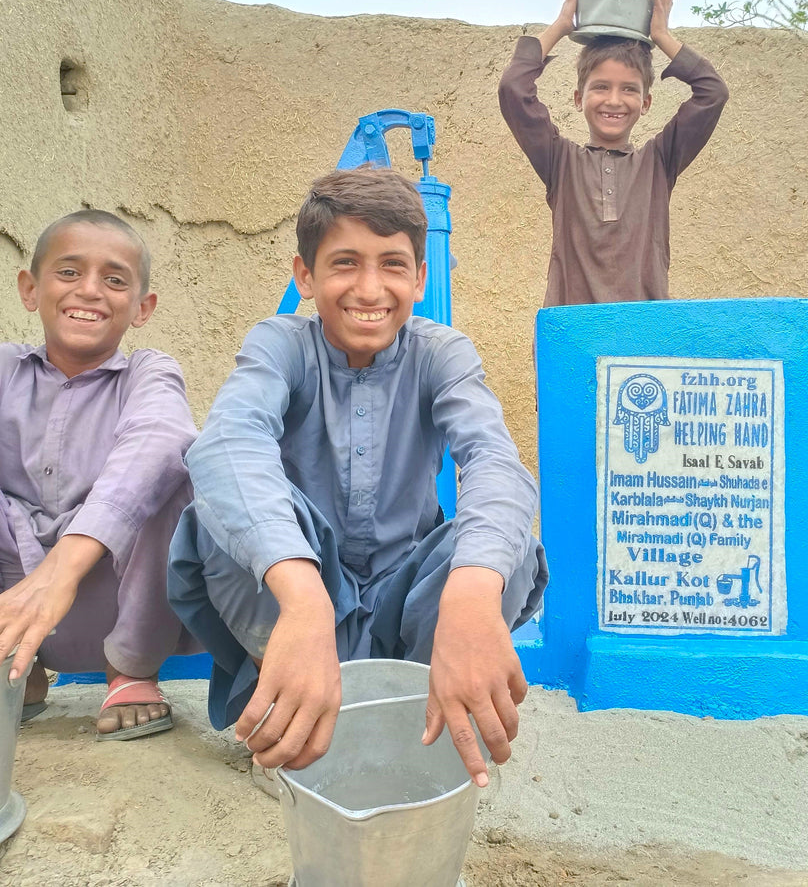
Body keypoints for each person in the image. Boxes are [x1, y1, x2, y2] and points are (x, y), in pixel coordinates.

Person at [168, 168, 547, 785]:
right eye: (345, 263)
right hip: (299, 608)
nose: (370, 288)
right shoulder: (279, 344)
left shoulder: (442, 353)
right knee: (217, 524)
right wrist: (300, 591)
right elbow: (227, 444)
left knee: (504, 550)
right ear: (305, 277)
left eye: (392, 264)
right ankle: (293, 731)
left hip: (407, 605)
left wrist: (474, 592)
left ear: (420, 279)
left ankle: (417, 728)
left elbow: (492, 459)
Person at [0, 210, 197, 739]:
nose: (89, 291)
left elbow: (160, 439)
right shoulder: (4, 370)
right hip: (13, 595)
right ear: (29, 288)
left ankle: (131, 672)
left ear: (142, 308)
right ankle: (20, 673)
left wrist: (62, 567)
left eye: (114, 280)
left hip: (107, 600)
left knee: (173, 474)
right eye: (68, 272)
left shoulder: (148, 373)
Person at [498, 0, 728, 308]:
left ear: (646, 102)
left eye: (630, 90)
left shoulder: (659, 162)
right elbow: (512, 89)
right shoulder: (560, 161)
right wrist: (562, 24)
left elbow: (713, 93)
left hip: (645, 340)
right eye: (601, 87)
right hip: (571, 336)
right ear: (578, 98)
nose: (614, 100)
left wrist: (662, 35)